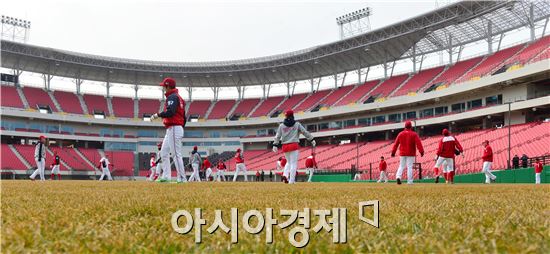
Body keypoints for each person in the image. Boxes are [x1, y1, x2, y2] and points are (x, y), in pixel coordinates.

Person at [150, 77, 187, 183]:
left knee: (176, 154)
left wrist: (158, 114)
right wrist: (180, 126)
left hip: (174, 127)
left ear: (168, 86)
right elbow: (184, 117)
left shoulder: (172, 97)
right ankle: (166, 176)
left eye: (164, 86)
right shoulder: (179, 98)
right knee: (164, 152)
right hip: (173, 128)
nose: (163, 89)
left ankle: (182, 178)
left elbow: (170, 112)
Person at [272, 110, 315, 184]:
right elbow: (304, 132)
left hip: (285, 146)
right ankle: (291, 181)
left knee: (288, 162)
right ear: (293, 115)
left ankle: (285, 175)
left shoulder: (281, 125)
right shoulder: (297, 124)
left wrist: (275, 145)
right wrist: (311, 139)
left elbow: (277, 136)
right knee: (293, 163)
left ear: (285, 116)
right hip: (294, 145)